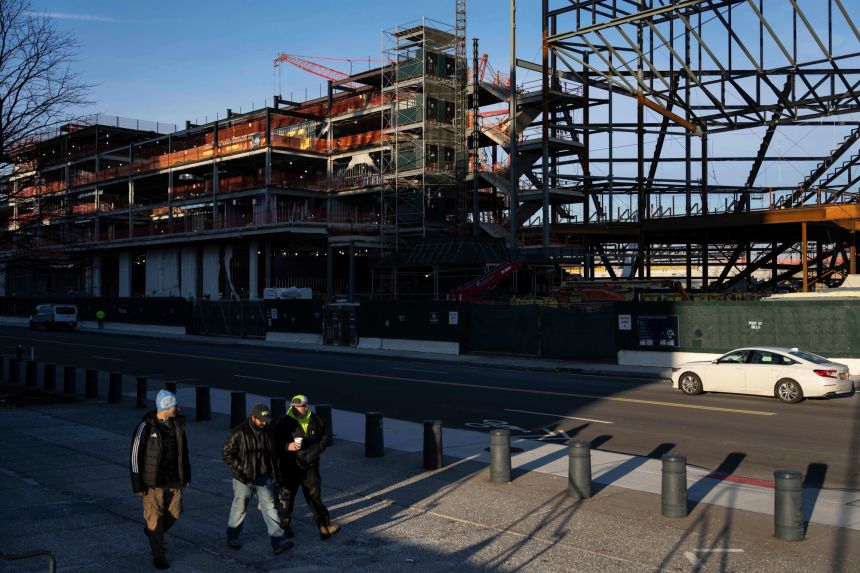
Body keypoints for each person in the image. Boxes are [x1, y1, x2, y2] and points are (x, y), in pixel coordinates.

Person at [130, 389, 191, 570]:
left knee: (176, 511)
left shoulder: (178, 425)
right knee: (155, 518)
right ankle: (159, 555)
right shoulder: (146, 426)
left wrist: (186, 475)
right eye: (174, 405)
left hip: (174, 481)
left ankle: (152, 532)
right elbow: (135, 456)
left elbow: (184, 453)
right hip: (152, 484)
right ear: (165, 406)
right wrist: (137, 484)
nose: (177, 408)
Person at [222, 404, 293, 555]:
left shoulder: (269, 430)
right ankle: (232, 536)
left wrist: (287, 447)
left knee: (270, 508)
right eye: (261, 420)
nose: (264, 423)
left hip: (264, 477)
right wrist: (241, 469)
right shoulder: (240, 432)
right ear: (253, 417)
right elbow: (226, 453)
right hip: (243, 479)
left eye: (266, 420)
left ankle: (278, 541)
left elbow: (275, 448)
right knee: (239, 508)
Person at [273, 394, 341, 540]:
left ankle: (324, 527)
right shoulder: (284, 422)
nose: (297, 409)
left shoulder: (314, 419)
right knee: (287, 497)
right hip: (290, 466)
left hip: (310, 465)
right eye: (294, 406)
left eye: (300, 406)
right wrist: (287, 446)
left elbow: (325, 435)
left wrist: (319, 448)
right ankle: (284, 526)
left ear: (306, 406)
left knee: (314, 496)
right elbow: (272, 443)